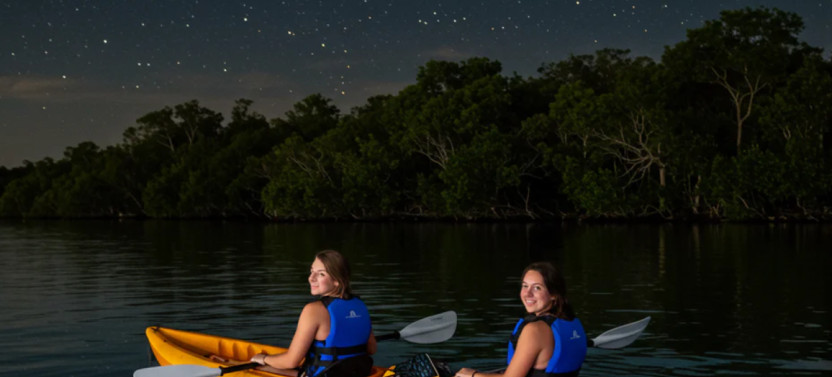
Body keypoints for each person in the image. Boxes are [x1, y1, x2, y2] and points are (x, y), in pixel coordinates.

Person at [251, 249, 378, 377]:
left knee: (259, 367)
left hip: (324, 374)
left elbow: (291, 361)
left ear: (337, 281)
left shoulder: (314, 310)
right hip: (356, 373)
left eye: (321, 274)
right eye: (312, 271)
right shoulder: (360, 305)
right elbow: (371, 349)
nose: (311, 278)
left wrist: (263, 358)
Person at [455, 262, 587, 377]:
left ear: (553, 294)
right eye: (525, 286)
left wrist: (472, 374)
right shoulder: (570, 323)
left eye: (537, 288)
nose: (527, 294)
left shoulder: (535, 330)